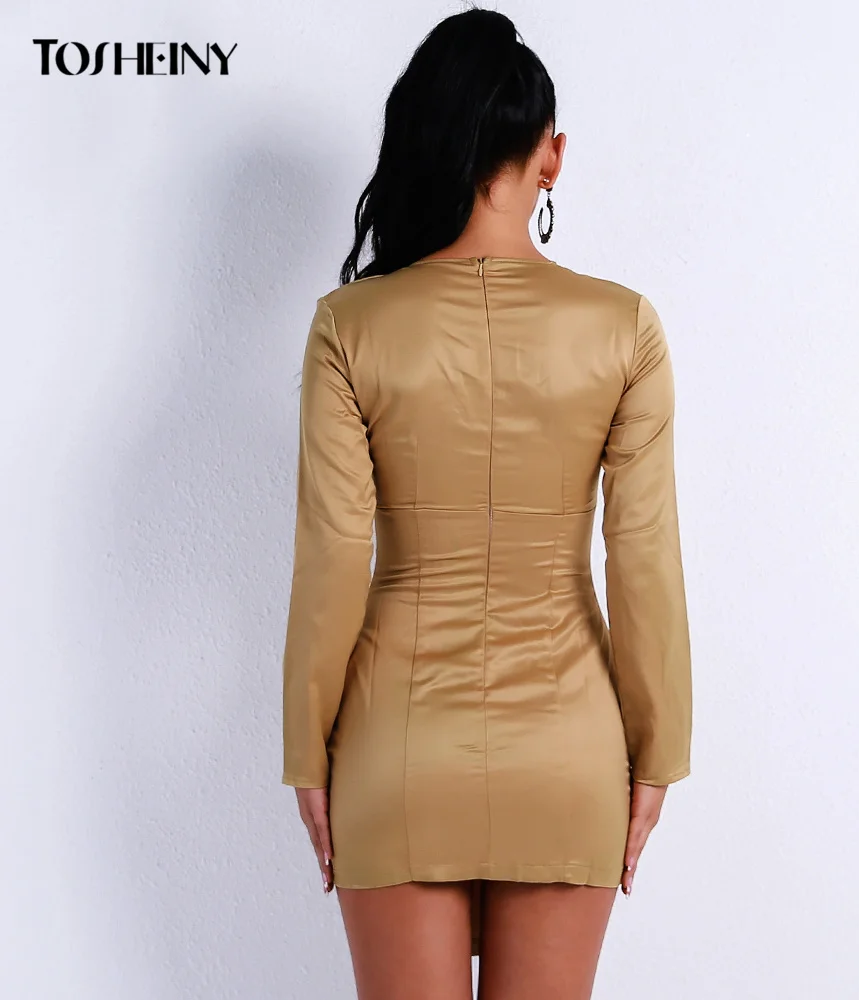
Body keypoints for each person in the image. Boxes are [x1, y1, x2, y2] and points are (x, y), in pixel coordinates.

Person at [280, 8, 692, 999]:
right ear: (551, 155)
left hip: (396, 747)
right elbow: (642, 558)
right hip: (569, 748)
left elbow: (334, 557)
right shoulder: (623, 327)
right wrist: (658, 753)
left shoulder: (350, 326)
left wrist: (306, 754)